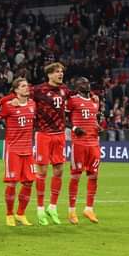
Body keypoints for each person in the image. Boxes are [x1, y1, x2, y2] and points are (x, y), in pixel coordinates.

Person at [32, 62, 71, 226]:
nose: (60, 74)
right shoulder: (38, 90)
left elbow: (77, 97)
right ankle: (40, 208)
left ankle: (52, 207)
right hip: (43, 135)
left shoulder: (65, 90)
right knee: (41, 171)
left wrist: (93, 97)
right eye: (57, 72)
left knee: (59, 170)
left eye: (61, 71)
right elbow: (19, 94)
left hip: (60, 135)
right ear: (49, 74)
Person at [0, 78, 37, 227]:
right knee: (12, 183)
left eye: (27, 85)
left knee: (29, 182)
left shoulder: (33, 104)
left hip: (27, 150)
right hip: (13, 150)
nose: (27, 88)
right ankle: (9, 214)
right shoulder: (8, 106)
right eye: (23, 86)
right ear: (16, 90)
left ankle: (20, 214)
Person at [66, 77, 101, 224]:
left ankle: (89, 208)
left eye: (87, 82)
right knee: (76, 176)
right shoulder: (72, 100)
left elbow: (94, 119)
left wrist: (98, 126)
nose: (85, 85)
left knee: (93, 176)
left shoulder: (94, 101)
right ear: (76, 86)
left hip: (93, 142)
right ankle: (71, 211)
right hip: (79, 143)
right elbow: (63, 118)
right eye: (82, 83)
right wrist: (74, 128)